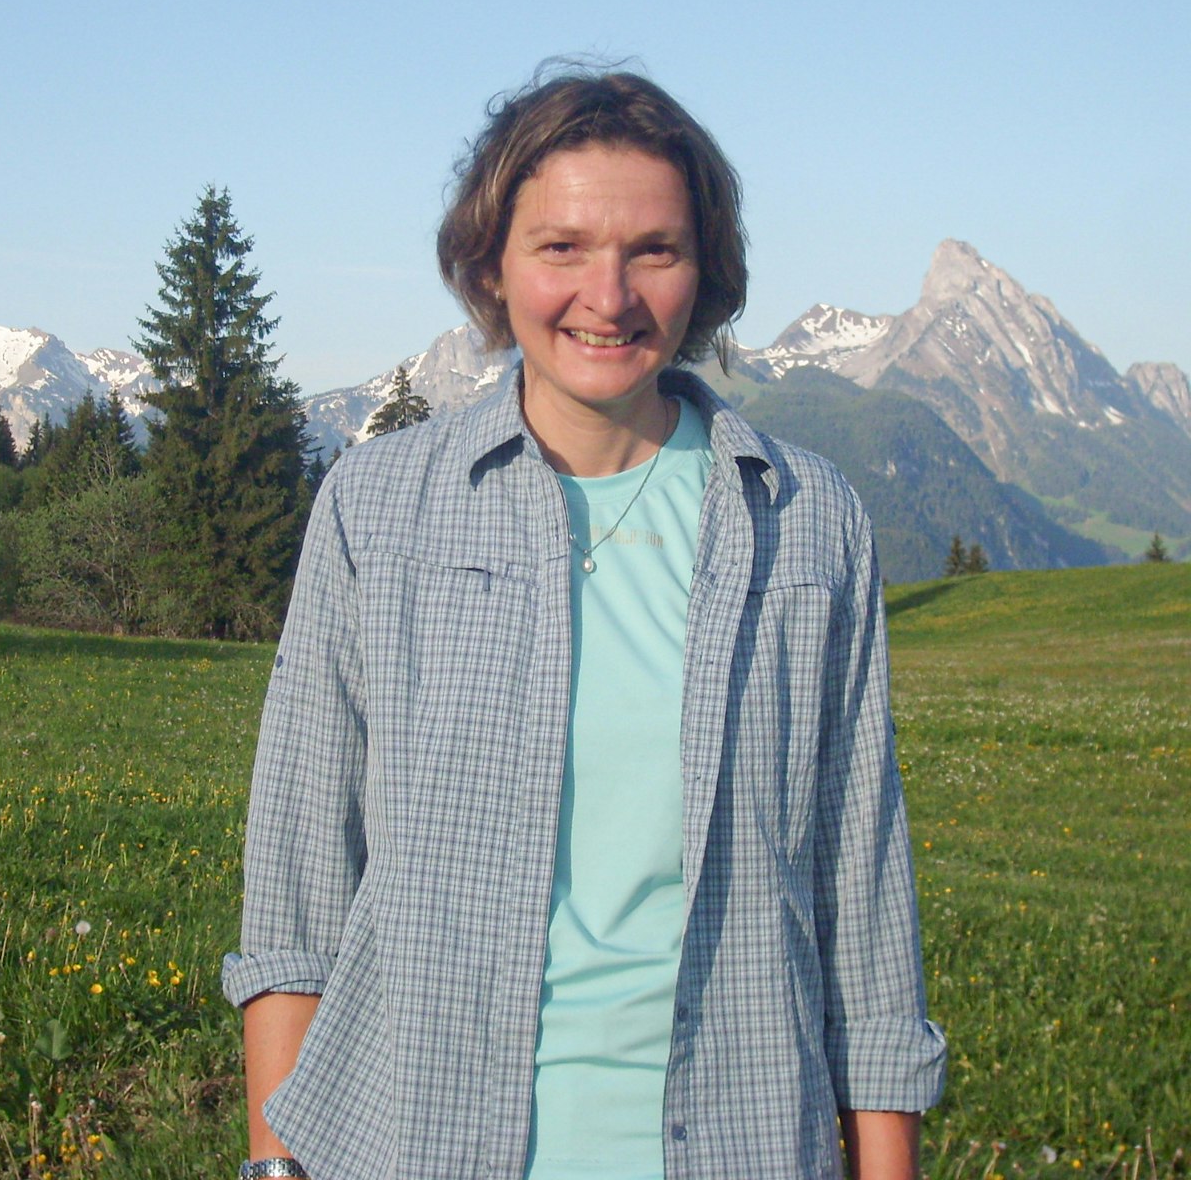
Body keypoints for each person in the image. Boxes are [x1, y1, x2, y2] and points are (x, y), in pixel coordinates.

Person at [222, 68, 946, 1180]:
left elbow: (866, 901)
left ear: (705, 271)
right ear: (491, 266)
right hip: (418, 1145)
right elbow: (298, 884)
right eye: (561, 247)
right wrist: (275, 1170)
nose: (608, 296)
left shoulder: (808, 521)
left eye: (654, 250)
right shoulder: (377, 509)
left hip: (744, 1145)